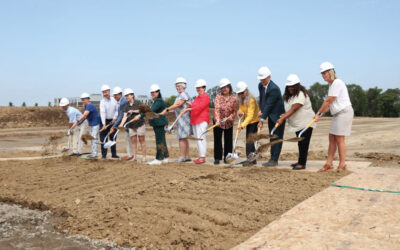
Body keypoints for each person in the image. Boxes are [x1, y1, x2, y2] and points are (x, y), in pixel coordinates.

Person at [314, 62, 354, 172]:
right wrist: (321, 114)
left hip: (344, 112)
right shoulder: (331, 85)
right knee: (331, 138)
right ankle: (329, 163)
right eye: (322, 73)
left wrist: (317, 113)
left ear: (331, 72)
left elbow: (328, 100)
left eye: (325, 73)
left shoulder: (337, 83)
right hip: (337, 113)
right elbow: (330, 105)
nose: (323, 75)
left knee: (339, 139)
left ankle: (342, 165)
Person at [276, 74, 316, 170]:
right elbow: (288, 109)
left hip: (306, 123)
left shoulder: (301, 95)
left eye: (292, 86)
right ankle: (300, 161)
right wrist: (283, 115)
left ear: (297, 85)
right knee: (300, 143)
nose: (290, 88)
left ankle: (302, 164)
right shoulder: (291, 96)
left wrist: (282, 118)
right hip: (298, 124)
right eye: (288, 86)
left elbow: (294, 109)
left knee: (304, 143)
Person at [257, 66, 285, 167]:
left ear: (269, 77)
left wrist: (261, 119)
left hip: (278, 116)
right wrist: (261, 109)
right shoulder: (260, 86)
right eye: (261, 79)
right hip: (270, 114)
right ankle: (272, 158)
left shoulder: (274, 89)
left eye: (264, 79)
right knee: (271, 137)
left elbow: (269, 104)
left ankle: (274, 160)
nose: (262, 81)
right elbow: (263, 100)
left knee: (277, 138)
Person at [159, 77, 192, 162]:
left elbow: (178, 104)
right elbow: (175, 109)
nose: (177, 88)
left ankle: (182, 157)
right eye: (176, 86)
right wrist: (166, 112)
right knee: (184, 138)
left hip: (184, 120)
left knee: (181, 138)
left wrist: (166, 109)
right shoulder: (179, 95)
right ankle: (187, 156)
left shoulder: (183, 95)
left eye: (179, 86)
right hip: (181, 121)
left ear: (184, 86)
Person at [181, 79, 210, 164]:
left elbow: (199, 108)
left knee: (201, 138)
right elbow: (194, 106)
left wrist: (188, 109)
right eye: (197, 88)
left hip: (201, 121)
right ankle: (201, 156)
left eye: (199, 88)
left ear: (204, 88)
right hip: (195, 121)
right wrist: (190, 105)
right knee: (198, 139)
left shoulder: (206, 97)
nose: (198, 89)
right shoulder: (197, 98)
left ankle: (202, 157)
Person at [213, 78, 238, 164]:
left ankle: (227, 158)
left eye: (226, 87)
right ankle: (217, 158)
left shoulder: (234, 98)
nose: (224, 89)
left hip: (228, 122)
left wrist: (229, 118)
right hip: (218, 121)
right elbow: (217, 109)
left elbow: (235, 111)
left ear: (229, 87)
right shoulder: (218, 97)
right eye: (222, 87)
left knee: (228, 140)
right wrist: (218, 120)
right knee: (217, 140)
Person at [119, 88, 147, 162]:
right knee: (133, 142)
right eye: (126, 96)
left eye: (128, 95)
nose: (127, 97)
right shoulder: (126, 106)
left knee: (142, 140)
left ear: (132, 95)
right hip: (131, 126)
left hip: (140, 124)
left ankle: (144, 157)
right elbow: (124, 117)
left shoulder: (138, 102)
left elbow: (143, 111)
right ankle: (134, 157)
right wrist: (121, 125)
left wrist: (133, 111)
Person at [236, 81, 260, 167]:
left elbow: (250, 116)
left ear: (246, 91)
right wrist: (239, 112)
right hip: (248, 123)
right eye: (239, 93)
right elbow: (241, 109)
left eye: (242, 92)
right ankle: (252, 160)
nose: (241, 94)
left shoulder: (251, 100)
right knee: (250, 142)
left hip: (254, 122)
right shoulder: (241, 99)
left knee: (249, 142)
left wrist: (242, 125)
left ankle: (250, 160)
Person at [73, 93, 101, 159]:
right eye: (82, 100)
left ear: (88, 99)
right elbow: (85, 116)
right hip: (91, 123)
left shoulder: (90, 105)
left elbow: (85, 115)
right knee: (92, 138)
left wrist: (77, 121)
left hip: (95, 123)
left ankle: (94, 154)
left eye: (84, 100)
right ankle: (93, 152)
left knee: (94, 138)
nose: (83, 101)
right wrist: (79, 123)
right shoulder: (86, 106)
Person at [147, 84, 169, 165]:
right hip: (159, 124)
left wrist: (140, 115)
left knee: (159, 141)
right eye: (151, 92)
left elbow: (150, 111)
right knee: (162, 141)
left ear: (158, 92)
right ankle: (165, 157)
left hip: (160, 124)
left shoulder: (158, 101)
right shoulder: (156, 101)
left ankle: (158, 159)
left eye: (154, 92)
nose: (152, 94)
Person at [110, 86, 133, 161]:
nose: (114, 96)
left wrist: (114, 127)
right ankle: (131, 155)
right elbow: (119, 115)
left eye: (116, 95)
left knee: (128, 138)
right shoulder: (121, 101)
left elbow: (121, 116)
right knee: (129, 138)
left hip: (129, 122)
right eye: (114, 95)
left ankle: (130, 155)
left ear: (120, 94)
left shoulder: (123, 102)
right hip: (128, 122)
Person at [99, 84, 119, 159]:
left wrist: (114, 119)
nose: (105, 94)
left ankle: (114, 154)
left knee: (113, 137)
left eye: (106, 92)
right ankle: (104, 155)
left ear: (109, 91)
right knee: (103, 138)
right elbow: (103, 113)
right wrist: (104, 124)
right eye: (103, 92)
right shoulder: (102, 102)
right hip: (104, 121)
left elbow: (117, 110)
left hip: (113, 121)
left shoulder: (114, 100)